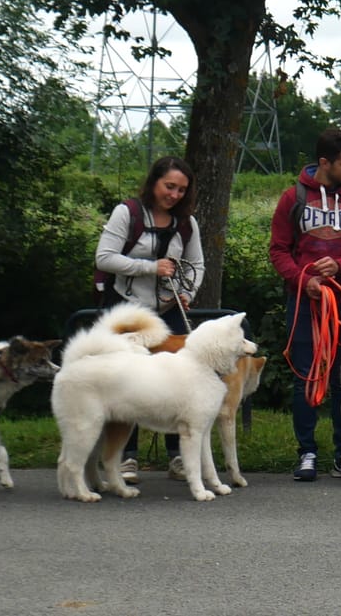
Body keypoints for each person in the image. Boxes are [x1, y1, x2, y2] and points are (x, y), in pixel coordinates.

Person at [268, 128, 341, 482]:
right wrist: (304, 280)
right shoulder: (292, 199)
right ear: (324, 163)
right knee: (306, 376)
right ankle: (307, 453)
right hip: (305, 303)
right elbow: (278, 250)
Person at [93, 156, 204, 483]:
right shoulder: (126, 213)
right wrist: (150, 268)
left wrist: (189, 292)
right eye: (169, 186)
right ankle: (125, 457)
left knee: (179, 380)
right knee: (127, 382)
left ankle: (178, 457)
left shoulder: (188, 223)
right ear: (154, 182)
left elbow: (196, 264)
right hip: (127, 310)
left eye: (182, 190)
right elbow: (104, 257)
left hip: (169, 311)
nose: (174, 195)